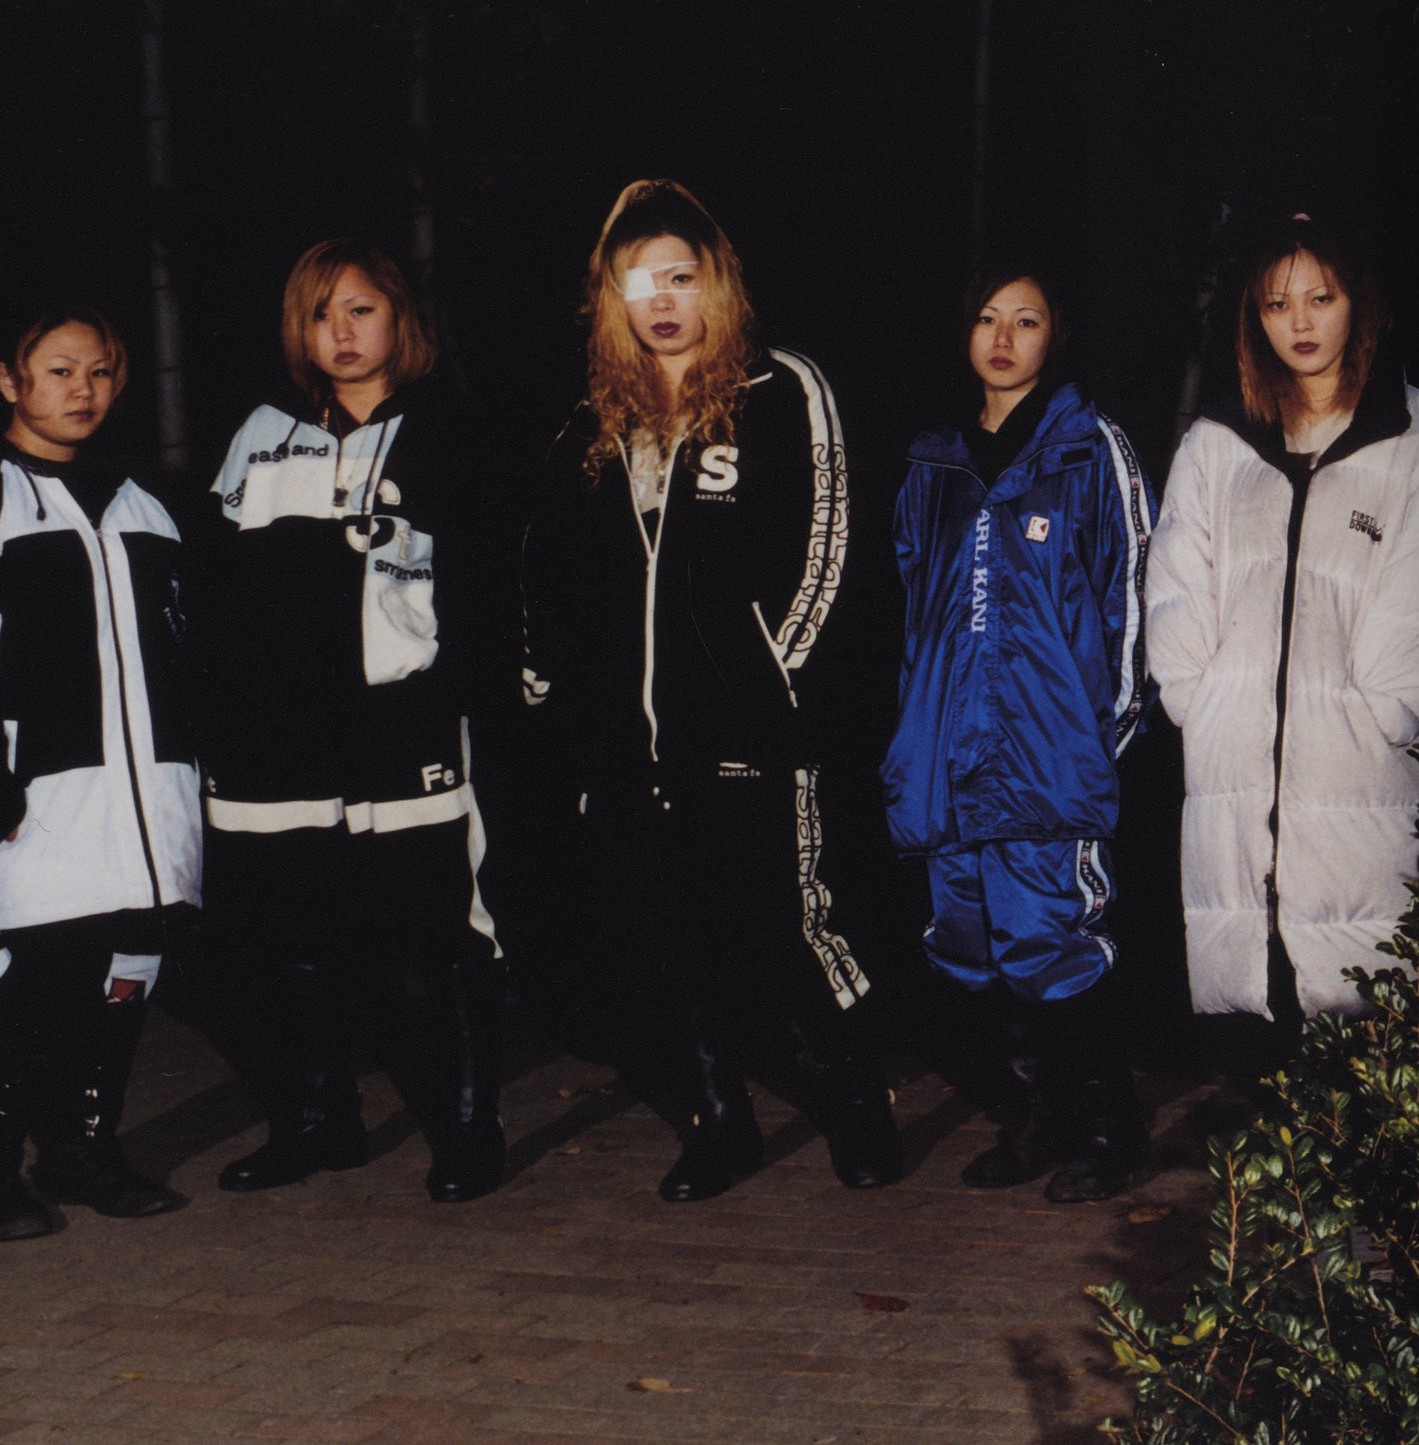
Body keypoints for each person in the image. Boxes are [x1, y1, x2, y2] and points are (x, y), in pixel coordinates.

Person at [521, 179, 902, 1202]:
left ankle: (857, 1096)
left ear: (715, 284)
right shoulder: (593, 427)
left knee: (791, 924)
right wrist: (556, 700)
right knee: (663, 936)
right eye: (637, 284)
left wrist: (779, 684)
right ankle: (718, 1120)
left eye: (678, 278)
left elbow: (830, 545)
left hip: (754, 729)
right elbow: (548, 577)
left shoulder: (782, 390)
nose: (660, 301)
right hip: (632, 746)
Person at [197, 239, 507, 1203]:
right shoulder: (258, 430)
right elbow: (215, 588)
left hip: (402, 730)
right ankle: (317, 1120)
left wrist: (453, 694)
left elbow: (487, 591)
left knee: (436, 929)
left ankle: (466, 1130)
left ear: (399, 320)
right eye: (322, 311)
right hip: (279, 736)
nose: (341, 329)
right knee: (292, 930)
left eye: (361, 308)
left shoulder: (450, 429)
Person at [881, 260, 1155, 1202]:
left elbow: (1130, 598)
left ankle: (1111, 1126)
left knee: (1053, 937)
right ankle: (1035, 1117)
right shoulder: (932, 461)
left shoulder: (1088, 448)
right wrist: (913, 738)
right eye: (987, 318)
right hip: (948, 758)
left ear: (1056, 335)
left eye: (1026, 320)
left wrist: (1103, 735)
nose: (1003, 339)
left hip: (1049, 756)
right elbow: (912, 608)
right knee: (973, 941)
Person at [1148, 213, 1419, 1051]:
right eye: (1274, 304)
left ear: (1356, 304)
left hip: (1356, 765)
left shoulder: (1406, 440)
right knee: (1257, 1014)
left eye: (1318, 298)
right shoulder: (1217, 443)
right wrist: (1200, 696)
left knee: (1366, 1012)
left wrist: (1385, 708)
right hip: (1234, 769)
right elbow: (1175, 589)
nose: (1298, 324)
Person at [0, 307, 199, 1241]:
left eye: (101, 372)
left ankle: (83, 1148)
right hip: (44, 800)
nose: (82, 390)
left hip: (151, 796)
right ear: (8, 379)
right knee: (32, 985)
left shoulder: (147, 503)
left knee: (125, 971)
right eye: (59, 370)